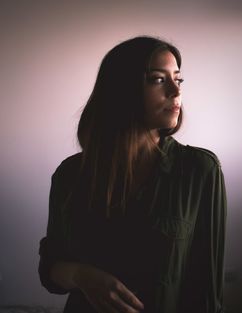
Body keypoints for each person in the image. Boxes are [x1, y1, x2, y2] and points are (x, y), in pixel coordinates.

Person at [38, 36, 227, 313]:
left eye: (178, 79)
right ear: (122, 90)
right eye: (158, 79)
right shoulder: (70, 175)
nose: (176, 92)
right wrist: (81, 275)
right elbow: (50, 269)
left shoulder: (199, 170)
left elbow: (207, 295)